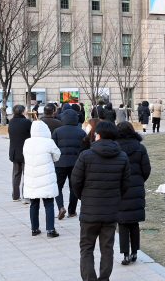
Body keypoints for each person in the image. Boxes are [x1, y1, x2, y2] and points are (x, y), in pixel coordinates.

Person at [72, 121, 130, 281]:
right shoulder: (123, 157)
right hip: (110, 211)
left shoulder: (85, 156)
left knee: (86, 248)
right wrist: (115, 198)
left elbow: (75, 181)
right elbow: (125, 184)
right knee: (107, 248)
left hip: (90, 211)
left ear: (98, 135)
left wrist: (83, 197)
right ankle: (104, 278)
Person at [115, 122, 151, 265]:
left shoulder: (115, 147)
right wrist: (140, 180)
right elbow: (146, 169)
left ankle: (125, 254)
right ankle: (135, 251)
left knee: (123, 223)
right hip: (136, 187)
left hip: (120, 188)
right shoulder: (140, 148)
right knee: (134, 222)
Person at [23, 121, 62, 237]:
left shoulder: (27, 142)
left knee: (34, 203)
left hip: (32, 176)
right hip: (46, 175)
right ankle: (50, 229)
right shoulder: (48, 142)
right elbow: (57, 155)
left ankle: (34, 229)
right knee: (49, 203)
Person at [52, 108, 86, 220]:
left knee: (58, 186)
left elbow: (53, 148)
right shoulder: (81, 132)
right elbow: (84, 149)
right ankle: (72, 211)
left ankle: (61, 207)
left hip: (60, 163)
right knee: (74, 187)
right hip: (76, 164)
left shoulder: (57, 131)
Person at [9, 105, 32, 203]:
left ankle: (15, 196)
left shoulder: (11, 122)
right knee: (26, 174)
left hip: (14, 152)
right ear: (23, 112)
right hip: (25, 151)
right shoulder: (27, 122)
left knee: (16, 174)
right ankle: (26, 196)